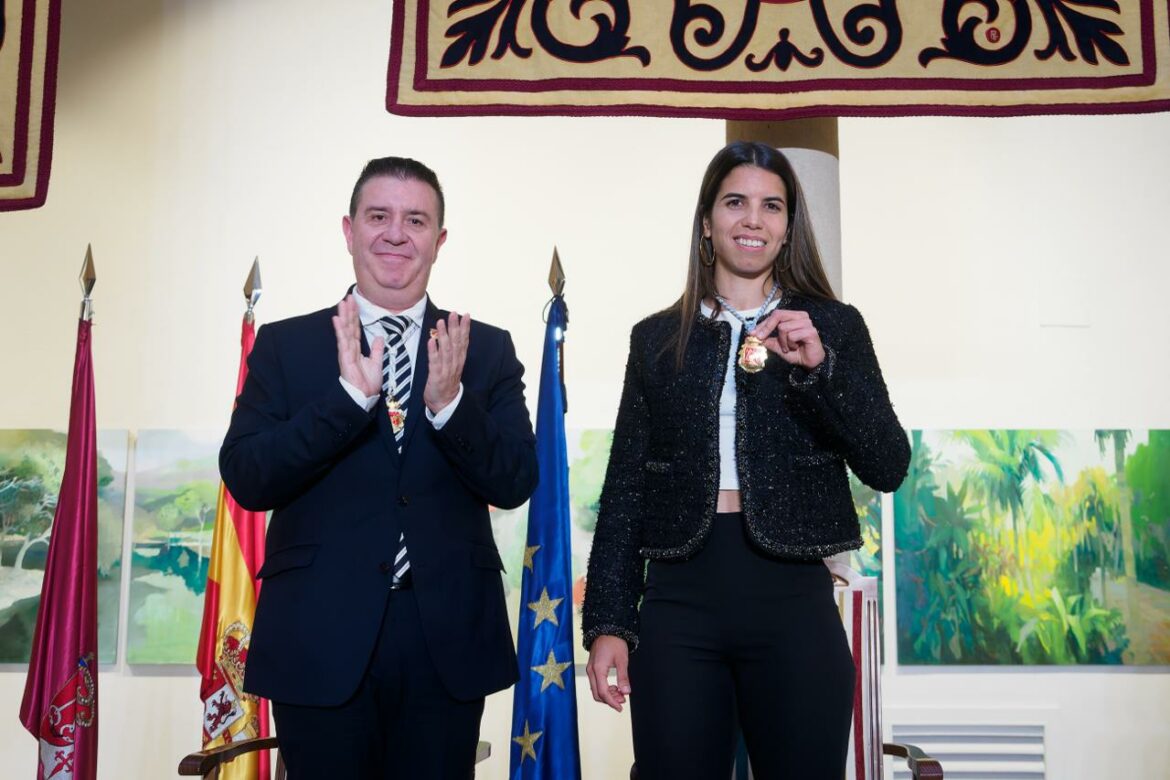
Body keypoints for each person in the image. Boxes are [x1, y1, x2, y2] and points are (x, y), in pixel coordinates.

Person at [581, 141, 910, 779]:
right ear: (707, 221)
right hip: (679, 600)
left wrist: (820, 373)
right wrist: (608, 624)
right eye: (735, 202)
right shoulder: (656, 338)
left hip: (793, 598)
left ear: (788, 227)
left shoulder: (834, 326)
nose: (752, 219)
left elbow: (888, 464)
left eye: (771, 206)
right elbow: (624, 490)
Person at [220, 156, 538, 779]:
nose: (396, 233)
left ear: (439, 240)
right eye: (378, 216)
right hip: (318, 635)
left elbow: (516, 480)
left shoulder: (485, 349)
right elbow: (248, 476)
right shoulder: (286, 346)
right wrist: (346, 402)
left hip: (444, 640)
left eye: (415, 220)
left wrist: (451, 407)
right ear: (349, 230)